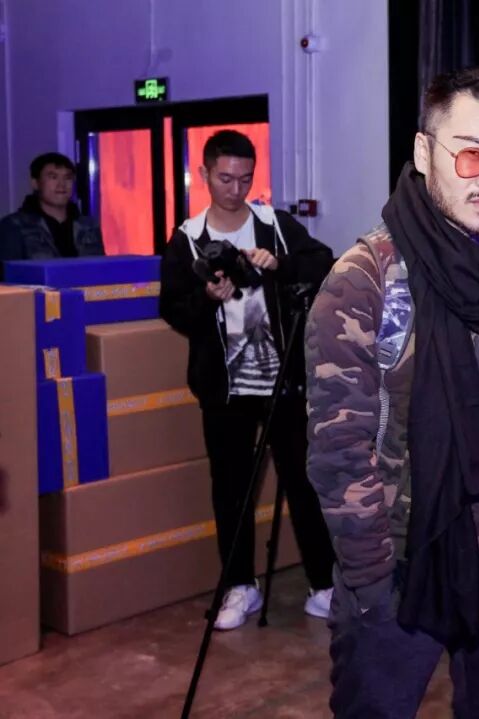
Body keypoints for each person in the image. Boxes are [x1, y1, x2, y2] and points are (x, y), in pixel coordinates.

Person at [305, 68, 479, 718]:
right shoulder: (365, 280)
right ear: (424, 152)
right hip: (404, 566)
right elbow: (339, 452)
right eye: (472, 154)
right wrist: (371, 582)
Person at [160, 130, 336, 631]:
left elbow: (323, 262)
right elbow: (172, 309)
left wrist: (279, 264)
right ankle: (240, 585)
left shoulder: (274, 225)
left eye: (245, 179)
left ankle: (323, 584)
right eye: (225, 179)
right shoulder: (187, 238)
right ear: (204, 174)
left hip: (283, 382)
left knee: (304, 482)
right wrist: (207, 300)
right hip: (224, 388)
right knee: (231, 490)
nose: (235, 190)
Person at [0, 152, 104, 276]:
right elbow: (8, 276)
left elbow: (102, 271)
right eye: (53, 177)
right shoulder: (14, 226)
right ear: (35, 183)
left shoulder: (89, 226)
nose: (62, 185)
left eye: (68, 178)